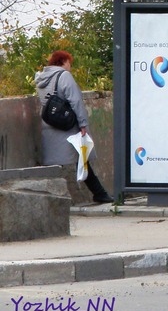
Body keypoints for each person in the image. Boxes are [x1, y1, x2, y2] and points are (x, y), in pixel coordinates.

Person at [34, 50, 112, 204]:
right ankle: (99, 194)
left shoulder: (41, 79)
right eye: (69, 63)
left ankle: (52, 198)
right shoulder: (64, 76)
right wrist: (83, 123)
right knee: (81, 158)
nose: (70, 66)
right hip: (67, 125)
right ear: (63, 61)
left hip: (50, 125)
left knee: (55, 164)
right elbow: (76, 101)